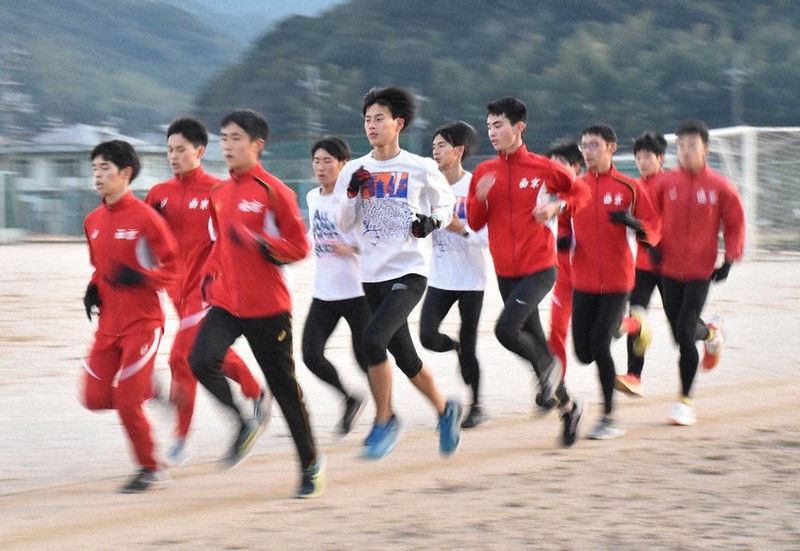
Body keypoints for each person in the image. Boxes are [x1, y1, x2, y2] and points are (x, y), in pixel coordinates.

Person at [188, 109, 324, 498]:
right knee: (199, 359)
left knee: (285, 390)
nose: (227, 146)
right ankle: (244, 420)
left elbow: (300, 247)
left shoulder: (273, 191)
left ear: (257, 145)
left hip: (268, 308)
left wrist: (265, 245)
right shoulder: (219, 192)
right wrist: (208, 276)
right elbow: (220, 245)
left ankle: (311, 463)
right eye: (224, 138)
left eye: (235, 139)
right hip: (228, 303)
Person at [335, 86, 462, 460]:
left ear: (398, 124)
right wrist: (352, 194)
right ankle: (445, 409)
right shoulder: (356, 171)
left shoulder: (419, 167)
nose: (371, 126)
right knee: (405, 357)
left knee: (372, 341)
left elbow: (446, 205)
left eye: (379, 119)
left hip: (409, 272)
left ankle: (385, 419)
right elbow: (345, 223)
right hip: (372, 275)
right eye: (367, 120)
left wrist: (430, 223)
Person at [466, 97, 590, 447]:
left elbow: (581, 192)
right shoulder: (484, 171)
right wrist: (479, 198)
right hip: (506, 272)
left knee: (507, 330)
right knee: (536, 344)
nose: (492, 132)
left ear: (518, 127)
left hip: (539, 267)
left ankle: (549, 372)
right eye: (489, 126)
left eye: (498, 125)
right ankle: (568, 408)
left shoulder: (542, 167)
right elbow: (475, 222)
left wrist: (557, 204)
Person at [145, 117, 268, 466]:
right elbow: (145, 237)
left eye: (180, 149)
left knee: (180, 358)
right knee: (205, 354)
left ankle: (181, 439)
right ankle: (256, 392)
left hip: (208, 288)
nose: (174, 156)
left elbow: (230, 240)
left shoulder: (216, 190)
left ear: (199, 151)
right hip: (176, 292)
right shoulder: (159, 194)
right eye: (169, 150)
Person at [81, 140, 180, 492]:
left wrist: (144, 278)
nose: (98, 175)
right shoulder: (92, 220)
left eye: (105, 168)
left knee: (125, 400)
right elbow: (99, 266)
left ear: (126, 173)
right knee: (93, 397)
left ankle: (152, 468)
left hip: (144, 324)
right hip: (109, 325)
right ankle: (150, 387)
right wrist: (93, 287)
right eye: (95, 169)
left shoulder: (146, 218)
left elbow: (173, 269)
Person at [570, 124, 661, 440]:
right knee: (583, 352)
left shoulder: (629, 187)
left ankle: (609, 417)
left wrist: (635, 224)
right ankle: (630, 325)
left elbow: (654, 230)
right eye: (584, 145)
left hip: (617, 281)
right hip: (582, 280)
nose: (587, 151)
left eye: (594, 145)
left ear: (611, 147)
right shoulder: (576, 186)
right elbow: (564, 227)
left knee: (599, 345)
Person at [653, 120, 745, 426]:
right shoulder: (666, 183)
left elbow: (734, 223)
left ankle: (684, 402)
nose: (686, 151)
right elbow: (650, 217)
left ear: (704, 148)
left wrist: (729, 259)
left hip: (700, 271)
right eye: (680, 145)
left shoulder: (720, 186)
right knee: (681, 334)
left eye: (692, 145)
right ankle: (711, 333)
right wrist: (651, 242)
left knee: (683, 329)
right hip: (668, 269)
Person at [420, 120, 489, 429]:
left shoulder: (475, 187)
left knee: (471, 342)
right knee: (427, 336)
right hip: (439, 277)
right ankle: (455, 347)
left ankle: (476, 404)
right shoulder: (429, 187)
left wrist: (461, 229)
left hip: (472, 279)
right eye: (433, 146)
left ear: (459, 150)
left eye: (441, 146)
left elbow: (486, 237)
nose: (435, 151)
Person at [302, 136, 369, 435]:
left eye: (328, 161)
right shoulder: (312, 197)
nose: (321, 166)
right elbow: (312, 235)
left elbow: (379, 241)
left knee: (366, 358)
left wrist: (352, 249)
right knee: (311, 355)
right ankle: (349, 398)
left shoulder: (354, 199)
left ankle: (386, 413)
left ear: (343, 164)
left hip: (357, 292)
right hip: (324, 292)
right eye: (317, 160)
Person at [614, 131, 668, 398]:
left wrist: (634, 223)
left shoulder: (670, 185)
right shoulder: (634, 186)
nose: (642, 161)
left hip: (672, 266)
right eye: (638, 156)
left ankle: (709, 333)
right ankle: (634, 375)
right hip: (644, 265)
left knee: (683, 324)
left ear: (661, 158)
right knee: (637, 315)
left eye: (648, 156)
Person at [543, 139, 585, 396]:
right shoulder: (548, 199)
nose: (555, 170)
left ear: (576, 168)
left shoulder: (585, 194)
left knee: (595, 336)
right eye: (552, 165)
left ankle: (635, 325)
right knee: (557, 329)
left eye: (561, 165)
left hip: (592, 279)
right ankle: (558, 384)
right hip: (562, 276)